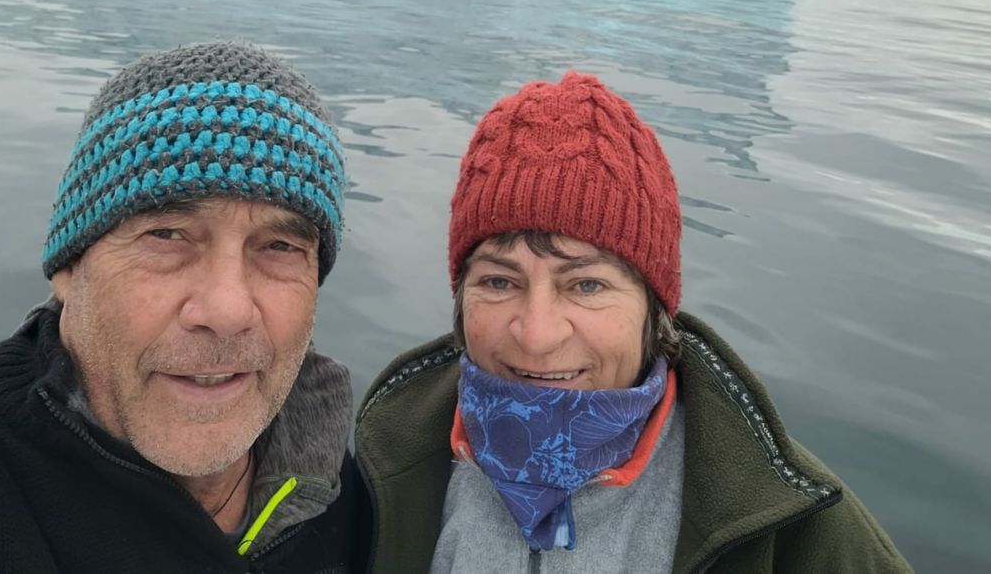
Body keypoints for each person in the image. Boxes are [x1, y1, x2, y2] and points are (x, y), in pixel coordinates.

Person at [355, 71, 912, 573]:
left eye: (587, 285)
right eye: (500, 282)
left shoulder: (791, 527)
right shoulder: (381, 472)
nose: (537, 335)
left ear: (655, 307)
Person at [0, 42, 366, 573]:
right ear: (69, 267)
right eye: (166, 234)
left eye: (280, 247)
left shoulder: (357, 486)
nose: (227, 310)